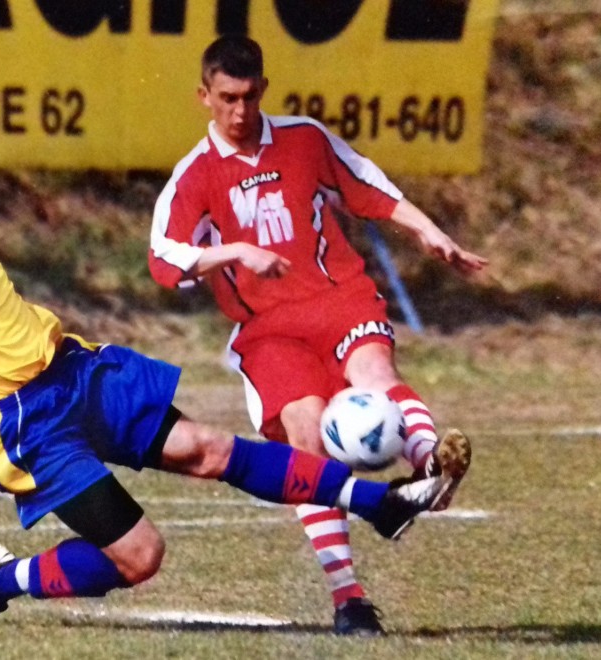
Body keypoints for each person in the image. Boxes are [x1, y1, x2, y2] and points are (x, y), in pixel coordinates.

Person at [0, 15, 460, 629]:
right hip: (27, 424)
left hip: (78, 374)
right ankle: (4, 578)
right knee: (141, 557)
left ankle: (382, 505)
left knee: (212, 449)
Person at [149, 35, 488, 635]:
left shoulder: (304, 139)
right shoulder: (194, 177)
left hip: (338, 296)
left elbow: (368, 186)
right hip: (268, 330)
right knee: (306, 439)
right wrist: (236, 252)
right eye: (227, 98)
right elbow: (163, 259)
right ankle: (350, 599)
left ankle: (431, 469)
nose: (240, 111)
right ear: (204, 96)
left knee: (376, 377)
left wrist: (429, 231)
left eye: (251, 96)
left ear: (265, 91)